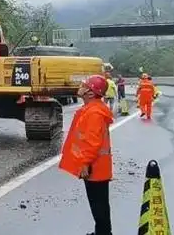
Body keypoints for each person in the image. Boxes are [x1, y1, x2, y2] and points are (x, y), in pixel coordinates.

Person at [59, 74, 114, 235]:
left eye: (84, 84)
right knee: (99, 204)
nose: (80, 86)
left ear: (91, 93)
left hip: (94, 167)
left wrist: (84, 163)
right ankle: (102, 232)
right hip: (96, 166)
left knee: (98, 205)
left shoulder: (94, 113)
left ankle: (104, 233)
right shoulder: (91, 109)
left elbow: (92, 142)